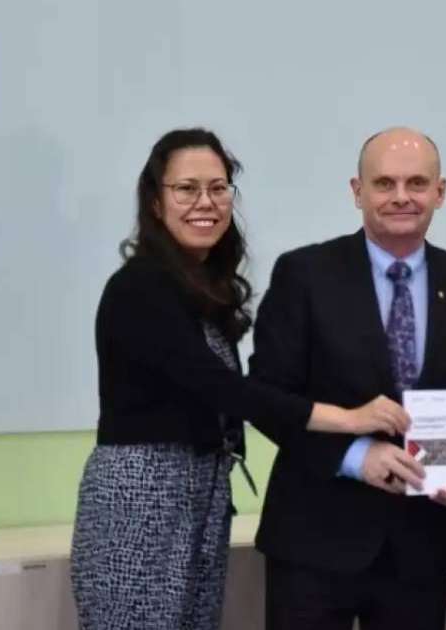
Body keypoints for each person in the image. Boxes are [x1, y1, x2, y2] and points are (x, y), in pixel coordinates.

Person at [69, 128, 408, 630]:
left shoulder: (198, 288)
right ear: (156, 203)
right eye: (186, 189)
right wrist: (349, 419)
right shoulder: (140, 286)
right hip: (143, 498)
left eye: (218, 188)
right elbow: (224, 389)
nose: (205, 202)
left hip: (200, 492)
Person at [248, 127, 446, 630]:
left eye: (417, 183)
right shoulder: (305, 274)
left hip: (420, 546)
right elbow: (267, 397)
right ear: (357, 191)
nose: (401, 196)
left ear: (440, 192)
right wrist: (355, 456)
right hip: (314, 541)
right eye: (384, 183)